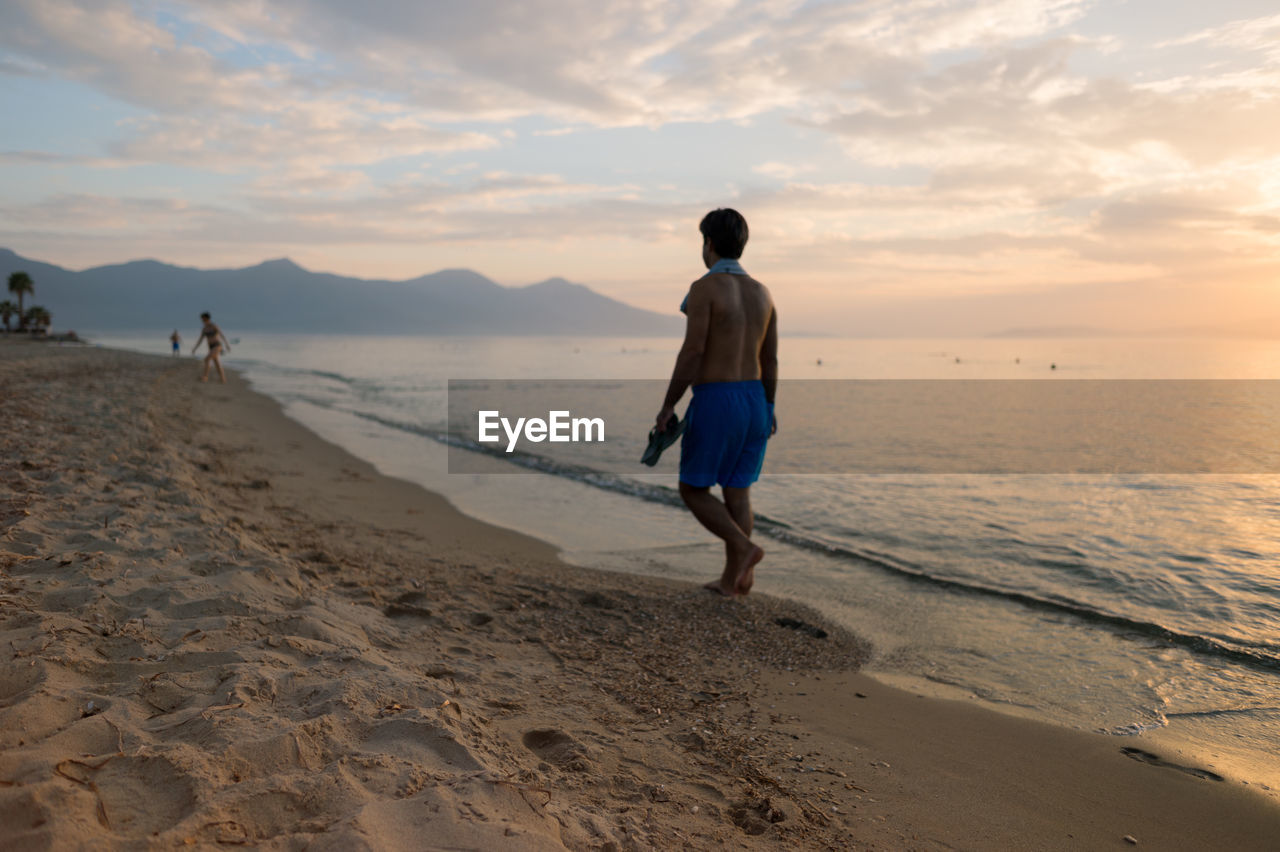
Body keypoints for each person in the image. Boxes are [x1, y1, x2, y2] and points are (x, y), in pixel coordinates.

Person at [655, 208, 777, 597]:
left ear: (707, 243)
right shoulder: (763, 293)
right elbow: (770, 359)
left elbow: (693, 351)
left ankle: (744, 549)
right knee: (738, 491)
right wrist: (770, 408)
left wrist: (668, 404)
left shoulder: (704, 289)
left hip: (717, 398)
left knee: (692, 489)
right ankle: (737, 579)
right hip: (755, 399)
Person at [192, 312, 230, 383]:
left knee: (207, 359)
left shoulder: (214, 326)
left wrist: (227, 345)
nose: (201, 320)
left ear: (206, 318)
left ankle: (205, 377)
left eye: (202, 318)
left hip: (217, 345)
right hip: (211, 347)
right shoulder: (204, 329)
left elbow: (222, 335)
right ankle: (222, 378)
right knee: (216, 362)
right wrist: (195, 348)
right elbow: (200, 340)